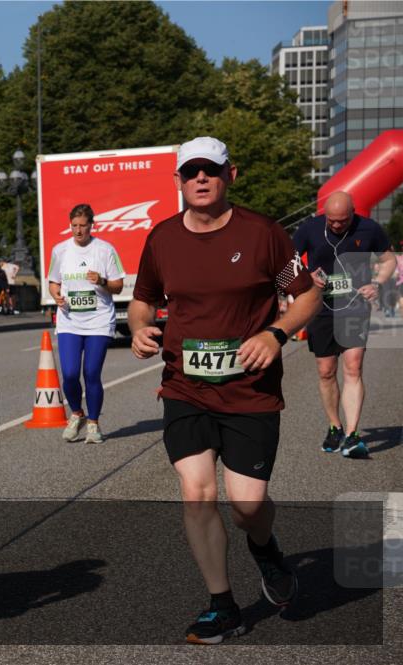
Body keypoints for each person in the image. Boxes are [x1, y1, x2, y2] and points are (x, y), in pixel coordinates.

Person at [128, 136, 320, 645]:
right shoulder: (162, 238)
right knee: (196, 492)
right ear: (178, 180)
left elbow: (306, 296)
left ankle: (265, 548)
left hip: (250, 392)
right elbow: (142, 300)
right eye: (191, 171)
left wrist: (275, 333)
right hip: (184, 388)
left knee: (247, 506)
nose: (200, 178)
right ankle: (223, 606)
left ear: (229, 175)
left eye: (210, 170)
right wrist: (140, 328)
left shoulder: (264, 234)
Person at [291, 191, 395, 458]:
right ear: (325, 214)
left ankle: (352, 435)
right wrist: (306, 276)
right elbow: (287, 263)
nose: (337, 225)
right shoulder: (309, 229)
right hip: (321, 308)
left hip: (355, 307)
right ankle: (335, 426)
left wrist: (377, 283)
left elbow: (388, 259)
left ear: (352, 213)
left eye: (342, 220)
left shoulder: (369, 228)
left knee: (353, 367)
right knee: (326, 371)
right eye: (332, 220)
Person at [48, 203, 125, 444]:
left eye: (83, 226)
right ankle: (77, 413)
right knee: (70, 374)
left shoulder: (105, 250)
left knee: (91, 373)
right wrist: (56, 295)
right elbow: (53, 282)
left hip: (98, 320)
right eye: (74, 226)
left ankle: (93, 423)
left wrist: (101, 280)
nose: (78, 231)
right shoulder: (60, 250)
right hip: (69, 320)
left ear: (92, 225)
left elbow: (118, 286)